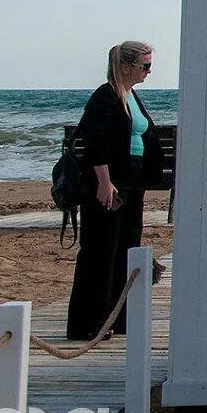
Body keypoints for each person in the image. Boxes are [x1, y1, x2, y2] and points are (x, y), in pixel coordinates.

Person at [68, 40, 164, 340]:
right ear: (125, 66)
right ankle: (89, 323)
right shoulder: (105, 96)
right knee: (101, 250)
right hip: (111, 180)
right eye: (144, 66)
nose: (149, 71)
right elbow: (95, 143)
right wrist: (104, 181)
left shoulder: (130, 95)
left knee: (127, 246)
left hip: (132, 179)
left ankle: (118, 317)